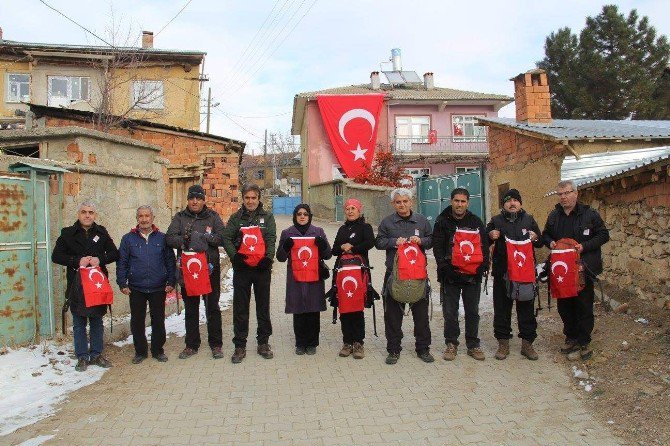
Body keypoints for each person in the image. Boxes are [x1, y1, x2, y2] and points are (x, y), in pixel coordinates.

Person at [542, 180, 609, 360]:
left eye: (567, 193)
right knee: (565, 306)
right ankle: (571, 337)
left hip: (582, 269)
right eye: (560, 194)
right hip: (562, 271)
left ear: (576, 193)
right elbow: (545, 234)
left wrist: (584, 246)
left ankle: (584, 341)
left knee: (583, 305)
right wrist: (550, 242)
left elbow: (604, 235)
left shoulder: (589, 214)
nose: (563, 197)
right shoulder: (554, 216)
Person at [52, 201, 119, 372]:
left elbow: (114, 253)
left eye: (90, 212)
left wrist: (100, 260)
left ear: (95, 215)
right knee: (79, 322)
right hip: (77, 285)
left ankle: (96, 354)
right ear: (78, 214)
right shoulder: (67, 233)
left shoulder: (101, 232)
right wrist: (75, 261)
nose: (87, 215)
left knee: (96, 320)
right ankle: (82, 356)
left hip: (96, 284)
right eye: (84, 212)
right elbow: (56, 256)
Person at [166, 184, 226, 360]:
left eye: (198, 198)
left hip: (209, 270)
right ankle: (191, 345)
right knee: (191, 308)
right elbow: (169, 238)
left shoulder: (213, 217)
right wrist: (185, 240)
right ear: (187, 200)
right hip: (188, 272)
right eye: (192, 198)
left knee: (212, 307)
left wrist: (204, 238)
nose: (194, 201)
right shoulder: (180, 218)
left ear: (203, 200)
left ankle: (216, 344)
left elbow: (221, 238)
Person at [375, 188, 434, 365]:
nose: (402, 205)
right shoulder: (387, 222)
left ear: (411, 202)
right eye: (398, 202)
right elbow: (378, 242)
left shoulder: (422, 221)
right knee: (392, 315)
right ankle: (393, 349)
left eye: (405, 201)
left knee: (421, 316)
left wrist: (422, 241)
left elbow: (432, 240)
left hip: (417, 276)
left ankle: (423, 349)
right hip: (395, 276)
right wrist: (393, 242)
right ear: (393, 204)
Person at [222, 183, 277, 363]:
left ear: (259, 198)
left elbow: (271, 238)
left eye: (254, 198)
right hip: (243, 269)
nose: (250, 201)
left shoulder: (267, 217)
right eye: (247, 198)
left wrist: (268, 259)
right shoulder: (236, 218)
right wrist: (234, 257)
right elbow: (226, 238)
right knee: (241, 308)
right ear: (243, 199)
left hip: (261, 269)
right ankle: (239, 345)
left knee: (263, 306)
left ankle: (263, 342)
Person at [433, 187, 489, 361]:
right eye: (456, 201)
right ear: (451, 201)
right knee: (450, 312)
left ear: (468, 203)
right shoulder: (442, 221)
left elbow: (484, 247)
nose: (459, 204)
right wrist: (445, 268)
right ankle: (451, 343)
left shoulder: (475, 222)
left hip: (472, 276)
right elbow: (438, 247)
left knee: (472, 311)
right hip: (450, 275)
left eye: (463, 201)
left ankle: (473, 344)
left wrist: (482, 267)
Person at [486, 189, 542, 360]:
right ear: (504, 204)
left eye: (515, 201)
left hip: (525, 273)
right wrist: (490, 235)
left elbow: (540, 242)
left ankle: (527, 344)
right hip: (503, 272)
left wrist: (536, 238)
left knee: (526, 308)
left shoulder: (529, 219)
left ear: (520, 203)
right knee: (502, 309)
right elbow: (483, 239)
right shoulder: (496, 220)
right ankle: (503, 344)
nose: (512, 204)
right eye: (508, 201)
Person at [117, 205, 176, 364]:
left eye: (147, 216)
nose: (144, 219)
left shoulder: (162, 238)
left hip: (158, 286)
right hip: (136, 287)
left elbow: (170, 261)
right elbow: (122, 262)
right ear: (137, 219)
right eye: (141, 216)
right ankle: (140, 352)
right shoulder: (128, 239)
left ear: (153, 218)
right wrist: (122, 282)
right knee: (137, 321)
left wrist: (171, 281)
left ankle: (158, 350)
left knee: (158, 320)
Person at [276, 204, 332, 355]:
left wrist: (323, 245)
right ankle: (300, 343)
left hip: (314, 276)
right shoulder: (287, 233)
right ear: (295, 216)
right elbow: (280, 257)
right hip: (296, 277)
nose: (302, 216)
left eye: (305, 214)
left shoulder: (318, 232)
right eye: (299, 214)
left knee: (313, 309)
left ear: (309, 216)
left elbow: (328, 254)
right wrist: (286, 247)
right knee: (298, 309)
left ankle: (312, 343)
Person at [331, 198, 375, 359]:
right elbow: (333, 250)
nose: (350, 211)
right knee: (344, 307)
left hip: (359, 273)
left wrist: (353, 248)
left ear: (359, 210)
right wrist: (342, 247)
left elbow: (370, 242)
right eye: (347, 208)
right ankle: (347, 342)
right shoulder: (342, 229)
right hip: (342, 274)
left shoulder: (365, 227)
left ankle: (358, 343)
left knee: (356, 307)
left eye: (353, 208)